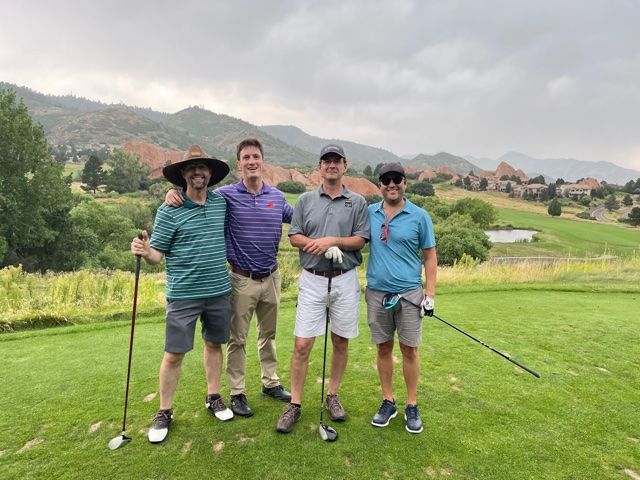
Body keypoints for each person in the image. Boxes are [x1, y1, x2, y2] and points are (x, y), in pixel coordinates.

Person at [165, 138, 292, 417]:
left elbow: (302, 220)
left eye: (256, 156)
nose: (251, 161)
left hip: (271, 276)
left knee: (268, 334)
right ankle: (237, 393)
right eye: (246, 157)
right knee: (237, 338)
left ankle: (270, 382)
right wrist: (172, 192)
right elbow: (197, 195)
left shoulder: (277, 197)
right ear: (239, 164)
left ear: (263, 161)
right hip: (241, 278)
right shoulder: (226, 196)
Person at [130, 145, 234, 444]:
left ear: (210, 173)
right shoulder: (169, 210)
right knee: (174, 355)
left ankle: (213, 397)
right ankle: (164, 411)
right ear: (183, 175)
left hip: (218, 291)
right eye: (191, 168)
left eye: (202, 167)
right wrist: (143, 249)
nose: (197, 171)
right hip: (184, 295)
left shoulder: (220, 203)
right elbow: (156, 255)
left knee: (214, 345)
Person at [276, 144, 370, 434]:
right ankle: (294, 403)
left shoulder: (358, 202)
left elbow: (361, 239)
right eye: (326, 161)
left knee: (340, 340)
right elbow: (294, 236)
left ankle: (332, 395)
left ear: (345, 166)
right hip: (313, 278)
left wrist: (333, 241)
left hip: (344, 278)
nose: (331, 165)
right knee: (303, 344)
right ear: (319, 167)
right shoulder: (305, 200)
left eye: (336, 161)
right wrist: (315, 244)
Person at [365, 162, 437, 434]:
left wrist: (430, 294)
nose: (391, 184)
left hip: (409, 294)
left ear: (405, 182)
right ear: (380, 185)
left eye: (397, 179)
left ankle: (411, 404)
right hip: (377, 293)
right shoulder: (369, 212)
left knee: (409, 350)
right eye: (386, 180)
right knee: (383, 348)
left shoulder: (419, 216)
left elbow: (430, 257)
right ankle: (388, 401)